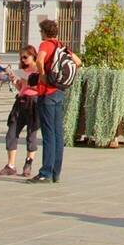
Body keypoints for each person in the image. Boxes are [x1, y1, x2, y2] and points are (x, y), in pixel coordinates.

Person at [29, 20, 80, 184]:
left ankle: (45, 173)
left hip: (47, 93)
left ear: (44, 32)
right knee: (58, 134)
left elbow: (39, 60)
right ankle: (56, 172)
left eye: (41, 31)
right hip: (59, 91)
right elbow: (78, 62)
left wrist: (43, 75)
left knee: (48, 134)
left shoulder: (45, 44)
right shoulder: (62, 46)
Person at [0, 46, 40, 177]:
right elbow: (21, 87)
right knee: (12, 132)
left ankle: (28, 163)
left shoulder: (38, 69)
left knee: (31, 134)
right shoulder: (23, 70)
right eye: (21, 57)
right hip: (21, 101)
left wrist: (26, 79)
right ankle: (10, 165)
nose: (23, 60)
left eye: (25, 57)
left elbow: (39, 87)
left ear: (33, 56)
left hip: (33, 102)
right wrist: (15, 80)